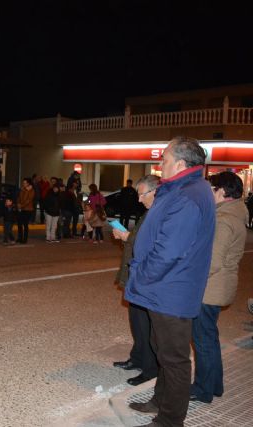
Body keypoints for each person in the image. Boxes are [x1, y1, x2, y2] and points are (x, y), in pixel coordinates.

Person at [126, 136, 215, 427]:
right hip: (164, 289)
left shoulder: (188, 195)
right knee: (162, 349)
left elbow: (168, 251)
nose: (159, 164)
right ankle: (159, 402)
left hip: (170, 290)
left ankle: (170, 419)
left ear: (179, 164)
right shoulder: (182, 188)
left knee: (174, 358)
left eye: (163, 159)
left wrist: (141, 277)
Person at [190, 172, 247, 404]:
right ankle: (214, 385)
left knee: (203, 340)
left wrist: (190, 280)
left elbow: (211, 261)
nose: (209, 193)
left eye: (212, 189)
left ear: (222, 191)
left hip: (210, 288)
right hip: (218, 286)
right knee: (209, 339)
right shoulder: (233, 215)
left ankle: (203, 389)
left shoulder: (224, 220)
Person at [111, 175, 160, 386]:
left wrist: (126, 238)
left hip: (145, 278)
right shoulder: (149, 213)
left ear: (155, 192)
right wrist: (129, 237)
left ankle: (150, 370)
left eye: (142, 194)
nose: (139, 199)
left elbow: (150, 245)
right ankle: (138, 358)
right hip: (136, 276)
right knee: (137, 321)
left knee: (146, 325)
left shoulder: (159, 215)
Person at [16, 177, 35, 244]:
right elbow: (19, 197)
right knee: (19, 224)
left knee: (25, 224)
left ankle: (25, 239)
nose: (23, 184)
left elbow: (29, 200)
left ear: (28, 183)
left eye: (25, 183)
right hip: (21, 208)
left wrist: (21, 205)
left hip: (28, 209)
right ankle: (20, 238)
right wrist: (18, 203)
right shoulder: (22, 189)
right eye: (23, 182)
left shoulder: (31, 190)